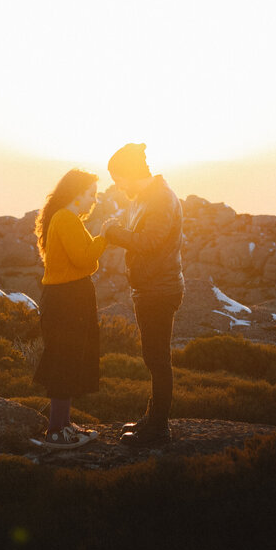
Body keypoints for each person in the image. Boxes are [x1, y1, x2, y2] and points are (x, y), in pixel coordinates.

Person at [102, 143, 184, 446]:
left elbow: (149, 241)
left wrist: (114, 233)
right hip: (148, 288)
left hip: (160, 290)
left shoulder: (160, 199)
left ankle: (159, 429)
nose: (116, 185)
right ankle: (153, 418)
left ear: (129, 174)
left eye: (117, 178)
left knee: (158, 360)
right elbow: (142, 234)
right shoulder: (144, 198)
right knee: (153, 358)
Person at [31, 168, 106, 449]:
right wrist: (105, 236)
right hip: (67, 299)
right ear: (77, 194)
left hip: (68, 296)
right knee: (64, 360)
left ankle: (64, 425)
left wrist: (93, 255)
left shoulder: (66, 217)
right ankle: (55, 431)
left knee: (71, 359)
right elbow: (84, 259)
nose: (94, 200)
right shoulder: (66, 218)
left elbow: (86, 262)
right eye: (91, 194)